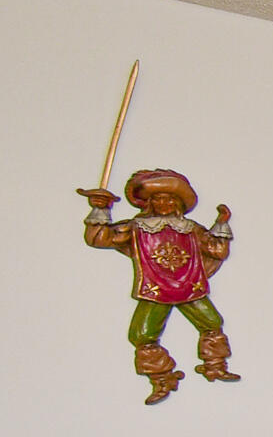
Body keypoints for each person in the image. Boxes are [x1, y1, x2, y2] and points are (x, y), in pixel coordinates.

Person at [77, 169, 237, 405]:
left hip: (189, 287)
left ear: (178, 203)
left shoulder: (190, 228)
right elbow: (99, 238)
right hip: (155, 290)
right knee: (142, 334)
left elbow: (217, 250)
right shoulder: (137, 227)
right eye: (159, 198)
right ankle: (162, 378)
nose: (164, 203)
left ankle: (215, 365)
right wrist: (101, 208)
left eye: (170, 198)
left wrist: (221, 224)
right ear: (150, 203)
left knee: (212, 323)